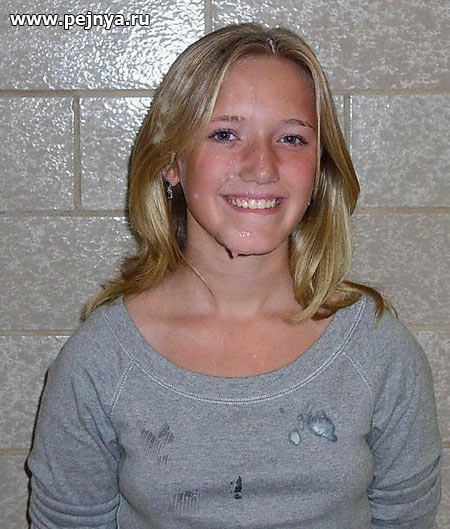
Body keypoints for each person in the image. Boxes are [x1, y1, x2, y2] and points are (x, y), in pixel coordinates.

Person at [27, 23, 441, 528]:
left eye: (291, 138)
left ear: (318, 171)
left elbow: (406, 516)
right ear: (172, 162)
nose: (261, 167)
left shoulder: (378, 350)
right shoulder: (100, 363)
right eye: (225, 134)